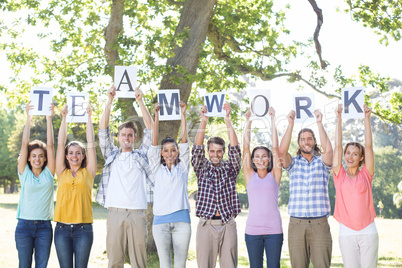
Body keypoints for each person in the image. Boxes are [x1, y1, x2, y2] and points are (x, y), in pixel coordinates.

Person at [95, 85, 154, 268]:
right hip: (115, 213)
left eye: (130, 135)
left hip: (137, 213)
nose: (126, 137)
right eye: (123, 135)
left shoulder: (142, 155)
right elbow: (102, 129)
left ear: (135, 137)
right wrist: (109, 100)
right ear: (118, 137)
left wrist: (140, 101)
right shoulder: (111, 155)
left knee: (139, 262)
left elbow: (152, 130)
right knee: (114, 261)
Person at [279, 109, 333, 268]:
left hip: (320, 224)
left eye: (309, 139)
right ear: (299, 143)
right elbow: (281, 151)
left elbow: (329, 150)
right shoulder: (293, 163)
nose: (306, 142)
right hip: (296, 224)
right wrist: (290, 124)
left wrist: (319, 123)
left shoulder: (322, 163)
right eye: (303, 139)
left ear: (315, 141)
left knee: (322, 265)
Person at [191, 102, 241, 268]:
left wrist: (227, 120)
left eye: (219, 151)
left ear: (223, 152)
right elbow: (196, 148)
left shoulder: (230, 168)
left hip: (227, 223)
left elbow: (235, 149)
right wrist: (204, 120)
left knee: (229, 265)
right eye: (212, 151)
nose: (215, 154)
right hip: (207, 224)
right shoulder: (202, 168)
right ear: (208, 152)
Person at [332, 104, 378, 268]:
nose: (350, 156)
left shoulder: (366, 174)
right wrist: (339, 119)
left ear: (361, 158)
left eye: (355, 154)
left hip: (368, 231)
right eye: (348, 153)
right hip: (347, 232)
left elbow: (369, 146)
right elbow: (337, 146)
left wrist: (367, 118)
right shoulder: (339, 174)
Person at [148, 101, 191, 268]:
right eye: (165, 150)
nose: (169, 153)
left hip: (182, 222)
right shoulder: (157, 170)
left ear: (177, 151)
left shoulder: (183, 168)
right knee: (164, 265)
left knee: (180, 265)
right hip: (160, 223)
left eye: (173, 149)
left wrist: (183, 114)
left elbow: (185, 141)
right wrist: (156, 117)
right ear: (161, 153)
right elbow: (153, 144)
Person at [54, 104, 97, 268]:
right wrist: (64, 118)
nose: (74, 156)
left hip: (83, 230)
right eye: (71, 152)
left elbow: (91, 143)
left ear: (83, 155)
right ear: (66, 156)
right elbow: (60, 143)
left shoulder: (89, 172)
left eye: (78, 152)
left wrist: (89, 118)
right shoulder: (61, 172)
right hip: (61, 230)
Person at [15, 101, 55, 268]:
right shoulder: (24, 174)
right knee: (24, 265)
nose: (37, 159)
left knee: (41, 265)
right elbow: (24, 144)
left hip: (44, 228)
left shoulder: (48, 173)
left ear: (44, 158)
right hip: (24, 226)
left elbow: (51, 146)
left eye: (40, 156)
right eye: (34, 156)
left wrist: (49, 119)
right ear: (28, 158)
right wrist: (28, 118)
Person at [243, 107, 283, 268]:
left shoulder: (275, 175)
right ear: (252, 160)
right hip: (253, 232)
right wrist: (248, 122)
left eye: (264, 156)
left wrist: (273, 119)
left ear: (269, 159)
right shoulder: (249, 175)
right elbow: (245, 148)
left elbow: (275, 149)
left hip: (274, 231)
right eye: (257, 157)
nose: (260, 159)